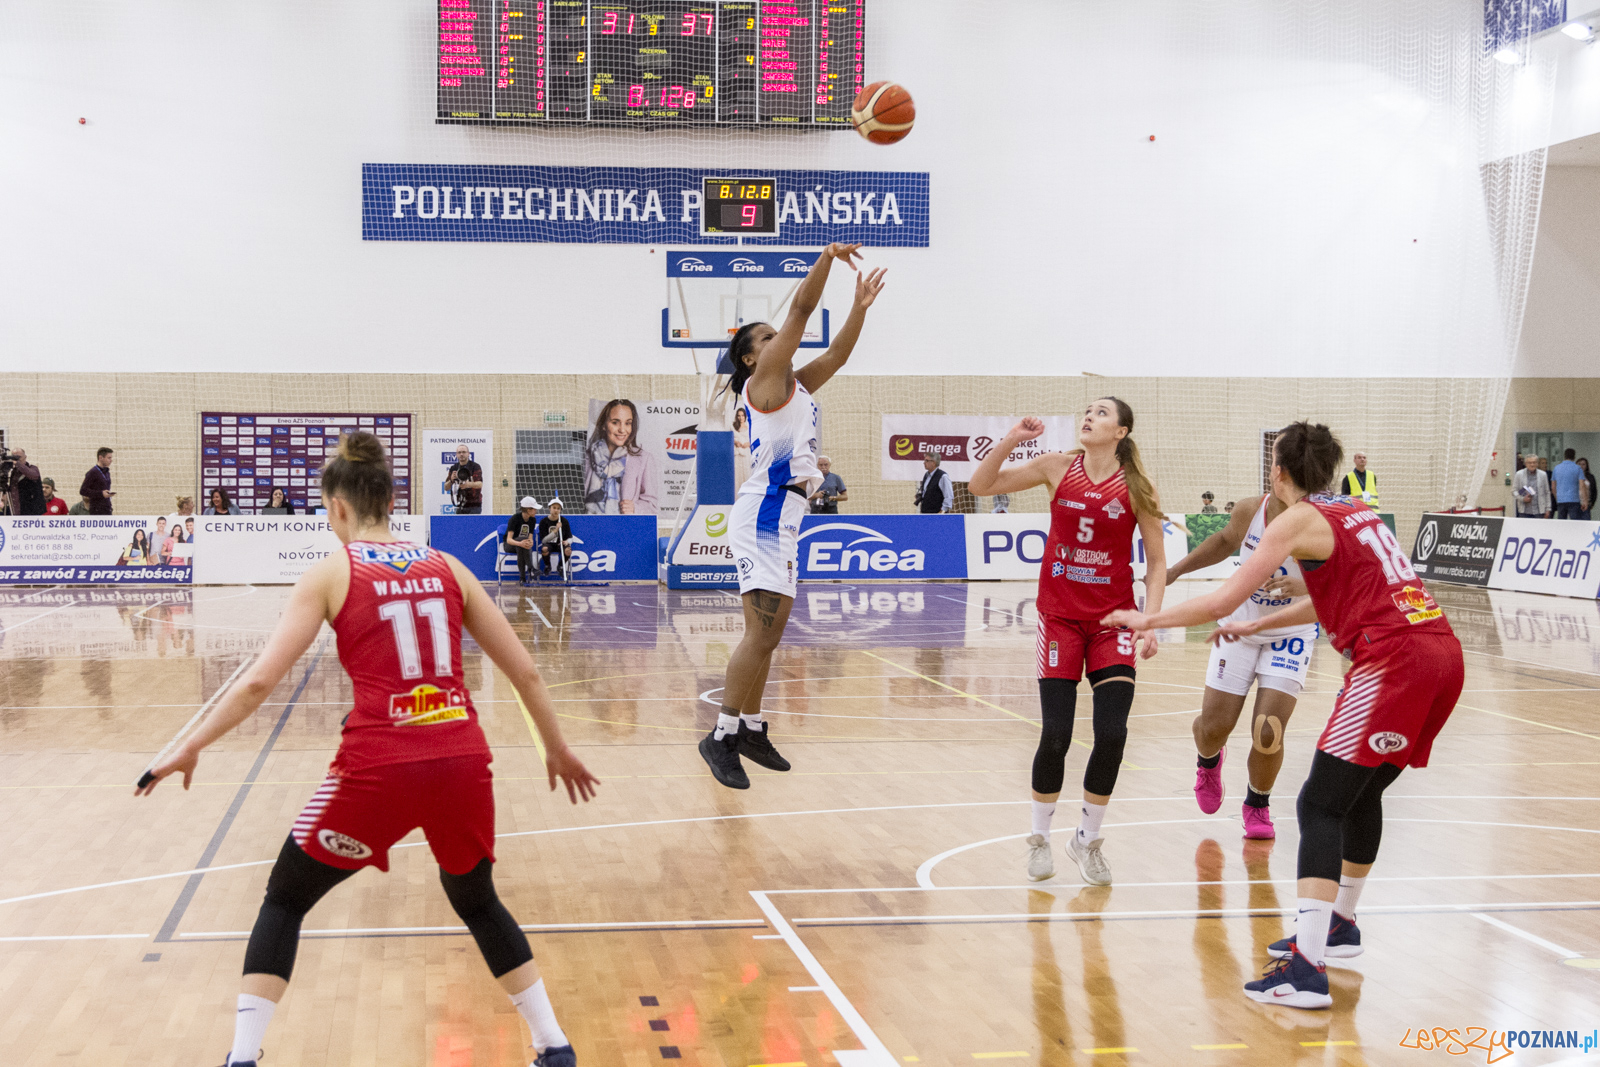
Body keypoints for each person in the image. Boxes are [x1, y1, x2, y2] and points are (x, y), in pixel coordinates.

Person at [135, 431, 598, 1067]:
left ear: (340, 507)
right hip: (463, 759)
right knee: (476, 899)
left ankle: (242, 1058)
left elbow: (262, 680)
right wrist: (556, 748)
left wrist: (190, 745)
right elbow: (528, 673)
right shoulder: (447, 566)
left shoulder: (333, 571)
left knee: (284, 897)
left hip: (380, 767)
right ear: (389, 501)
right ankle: (553, 1045)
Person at [1103, 421, 1463, 1010]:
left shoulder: (1295, 518)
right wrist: (1255, 625)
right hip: (1442, 656)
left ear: (1279, 471)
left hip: (1393, 662)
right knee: (1356, 795)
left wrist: (1149, 619)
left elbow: (1221, 597)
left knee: (1318, 804)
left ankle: (1307, 968)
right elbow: (1318, 599)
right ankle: (1340, 925)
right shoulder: (1355, 509)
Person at [700, 243, 887, 790]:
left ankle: (752, 726)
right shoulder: (764, 383)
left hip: (783, 513)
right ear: (749, 359)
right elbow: (801, 314)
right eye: (765, 337)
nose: (776, 338)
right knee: (760, 634)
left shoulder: (793, 384)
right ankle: (722, 735)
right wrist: (827, 258)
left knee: (770, 634)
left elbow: (838, 357)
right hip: (764, 513)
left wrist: (859, 307)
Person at [968, 399, 1168, 886]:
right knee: (1056, 733)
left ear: (1120, 431)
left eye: (1101, 413)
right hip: (1059, 618)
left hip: (1113, 622)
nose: (1089, 417)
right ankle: (1038, 838)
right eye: (1087, 411)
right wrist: (1012, 440)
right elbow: (980, 486)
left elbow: (1158, 565)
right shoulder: (1055, 466)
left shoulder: (1137, 486)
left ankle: (1086, 840)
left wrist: (1150, 621)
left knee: (1113, 735)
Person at [1165, 484, 1319, 839]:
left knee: (1269, 731)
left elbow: (1347, 578)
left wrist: (1304, 588)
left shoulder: (1323, 522)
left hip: (1291, 632)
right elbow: (1222, 542)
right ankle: (1208, 761)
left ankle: (1258, 804)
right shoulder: (1252, 510)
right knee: (1213, 729)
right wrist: (1175, 570)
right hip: (1238, 627)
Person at [583, 399, 660, 515]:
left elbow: (652, 506)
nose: (622, 429)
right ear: (604, 425)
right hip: (589, 527)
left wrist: (635, 508)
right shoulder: (587, 458)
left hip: (625, 529)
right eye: (615, 422)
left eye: (627, 423)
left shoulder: (644, 459)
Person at [505, 496, 539, 585]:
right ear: (528, 510)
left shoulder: (533, 520)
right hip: (510, 545)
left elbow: (530, 537)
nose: (536, 511)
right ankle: (531, 568)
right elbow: (509, 540)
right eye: (534, 509)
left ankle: (522, 578)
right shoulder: (514, 519)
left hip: (522, 546)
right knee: (522, 543)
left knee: (522, 547)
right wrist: (520, 543)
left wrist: (531, 542)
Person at [538, 500, 575, 578]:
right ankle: (547, 566)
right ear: (549, 508)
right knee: (544, 549)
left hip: (560, 544)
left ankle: (561, 566)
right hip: (548, 544)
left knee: (568, 551)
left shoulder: (564, 521)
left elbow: (570, 538)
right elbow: (544, 540)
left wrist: (567, 541)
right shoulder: (543, 521)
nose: (556, 510)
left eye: (558, 508)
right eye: (554, 508)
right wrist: (556, 529)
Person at [4, 447, 44, 515]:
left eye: (19, 457)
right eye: (14, 457)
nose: (16, 459)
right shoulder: (13, 471)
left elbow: (33, 475)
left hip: (31, 510)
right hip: (15, 509)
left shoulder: (32, 468)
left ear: (25, 457)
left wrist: (17, 464)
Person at [446, 444, 484, 515]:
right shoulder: (454, 468)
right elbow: (446, 487)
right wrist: (451, 480)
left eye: (464, 452)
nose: (461, 454)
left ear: (468, 454)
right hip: (460, 504)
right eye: (459, 452)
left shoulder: (475, 466)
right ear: (456, 455)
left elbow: (480, 484)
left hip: (474, 504)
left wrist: (468, 484)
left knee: (472, 524)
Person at [1511, 453, 1550, 519]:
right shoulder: (1519, 474)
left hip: (1539, 511)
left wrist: (1548, 508)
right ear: (1525, 464)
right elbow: (1514, 491)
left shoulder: (1543, 475)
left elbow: (1547, 492)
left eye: (1534, 462)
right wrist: (1522, 499)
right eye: (1529, 463)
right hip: (1524, 511)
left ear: (1537, 464)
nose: (1532, 465)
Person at [80, 447, 114, 515]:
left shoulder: (106, 472)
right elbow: (83, 490)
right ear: (101, 457)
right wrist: (101, 494)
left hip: (107, 508)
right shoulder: (92, 472)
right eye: (109, 458)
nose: (111, 460)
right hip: (97, 510)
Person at [1551, 448, 1584, 520]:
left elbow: (1553, 487)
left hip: (1561, 500)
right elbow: (1581, 486)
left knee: (1562, 523)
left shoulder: (1556, 468)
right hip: (1574, 500)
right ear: (1574, 457)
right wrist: (1584, 501)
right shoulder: (1578, 468)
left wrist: (1558, 497)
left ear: (1564, 456)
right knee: (1575, 523)